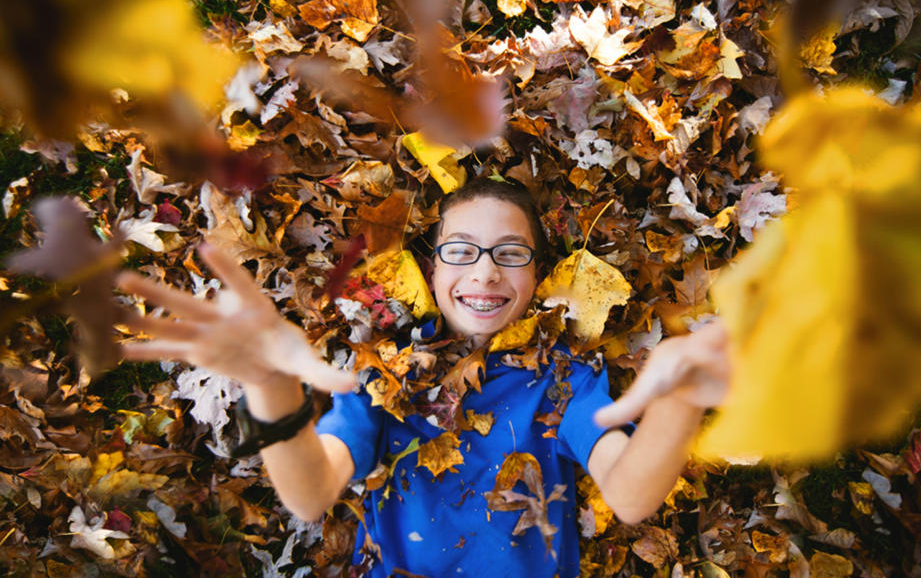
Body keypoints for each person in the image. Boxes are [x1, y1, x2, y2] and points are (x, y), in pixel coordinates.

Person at [117, 177, 731, 578]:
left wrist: (681, 401)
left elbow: (627, 495)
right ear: (433, 270)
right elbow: (310, 495)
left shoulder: (563, 378)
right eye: (462, 251)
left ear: (538, 273)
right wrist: (271, 387)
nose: (486, 273)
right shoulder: (387, 376)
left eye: (510, 253)